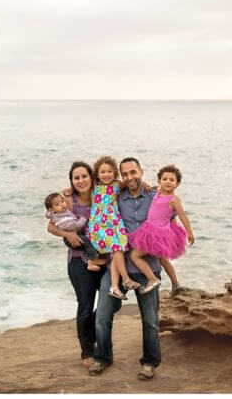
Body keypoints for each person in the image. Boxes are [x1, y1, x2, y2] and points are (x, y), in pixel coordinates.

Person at [89, 157, 163, 381]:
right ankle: (102, 356)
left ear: (142, 171)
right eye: (126, 174)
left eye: (134, 172)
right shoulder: (116, 195)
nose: (130, 177)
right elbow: (91, 200)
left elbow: (170, 219)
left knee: (150, 320)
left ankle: (149, 363)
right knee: (102, 315)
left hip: (146, 266)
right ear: (121, 176)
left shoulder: (154, 196)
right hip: (118, 266)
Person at [46, 161, 107, 370]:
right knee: (84, 307)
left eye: (84, 176)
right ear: (72, 181)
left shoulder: (102, 195)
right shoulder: (69, 201)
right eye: (76, 177)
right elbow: (50, 226)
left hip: (106, 259)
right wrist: (68, 234)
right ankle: (87, 350)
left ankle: (92, 330)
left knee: (111, 303)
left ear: (92, 177)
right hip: (79, 262)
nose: (80, 180)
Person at [129, 165, 195, 294]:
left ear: (177, 184)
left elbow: (182, 215)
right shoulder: (158, 191)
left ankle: (152, 279)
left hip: (157, 233)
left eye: (172, 180)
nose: (168, 182)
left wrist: (190, 233)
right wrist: (146, 185)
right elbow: (148, 186)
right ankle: (175, 284)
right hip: (150, 230)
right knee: (163, 259)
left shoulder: (174, 200)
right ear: (159, 181)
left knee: (135, 255)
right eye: (164, 179)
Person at [88, 156, 142, 300]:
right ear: (97, 174)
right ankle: (126, 280)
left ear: (115, 173)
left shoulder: (118, 185)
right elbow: (77, 187)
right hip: (99, 226)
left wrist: (147, 186)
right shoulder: (94, 186)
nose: (106, 175)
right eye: (103, 172)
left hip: (114, 224)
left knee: (117, 252)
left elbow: (132, 183)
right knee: (117, 249)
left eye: (109, 171)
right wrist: (68, 190)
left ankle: (114, 287)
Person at [45, 192, 104, 271]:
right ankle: (93, 260)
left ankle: (91, 262)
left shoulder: (55, 213)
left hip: (79, 236)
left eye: (62, 202)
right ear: (51, 209)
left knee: (87, 246)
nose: (62, 204)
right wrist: (84, 218)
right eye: (57, 205)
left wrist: (49, 213)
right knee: (88, 243)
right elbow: (75, 226)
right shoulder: (63, 219)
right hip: (75, 238)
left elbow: (48, 215)